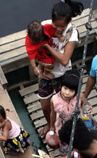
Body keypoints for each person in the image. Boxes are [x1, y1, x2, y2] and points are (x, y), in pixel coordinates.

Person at [39, 2, 80, 138]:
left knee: (61, 105)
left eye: (62, 26)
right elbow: (34, 49)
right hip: (46, 74)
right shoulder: (44, 27)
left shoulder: (72, 33)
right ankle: (49, 124)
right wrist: (39, 69)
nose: (58, 29)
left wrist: (47, 47)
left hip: (62, 75)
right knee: (45, 106)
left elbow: (64, 60)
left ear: (68, 23)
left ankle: (61, 128)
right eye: (55, 25)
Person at [26, 20, 58, 137]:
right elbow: (31, 57)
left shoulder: (49, 29)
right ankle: (50, 124)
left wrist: (61, 38)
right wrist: (36, 67)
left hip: (58, 70)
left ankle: (60, 125)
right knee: (45, 106)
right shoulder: (29, 42)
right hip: (44, 65)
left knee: (63, 101)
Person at [46, 70, 90, 150]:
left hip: (78, 125)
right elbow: (53, 113)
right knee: (64, 144)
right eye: (65, 88)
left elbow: (85, 105)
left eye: (71, 90)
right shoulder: (54, 100)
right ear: (61, 86)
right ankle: (64, 152)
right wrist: (52, 126)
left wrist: (86, 112)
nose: (67, 93)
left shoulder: (80, 96)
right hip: (62, 127)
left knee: (79, 142)